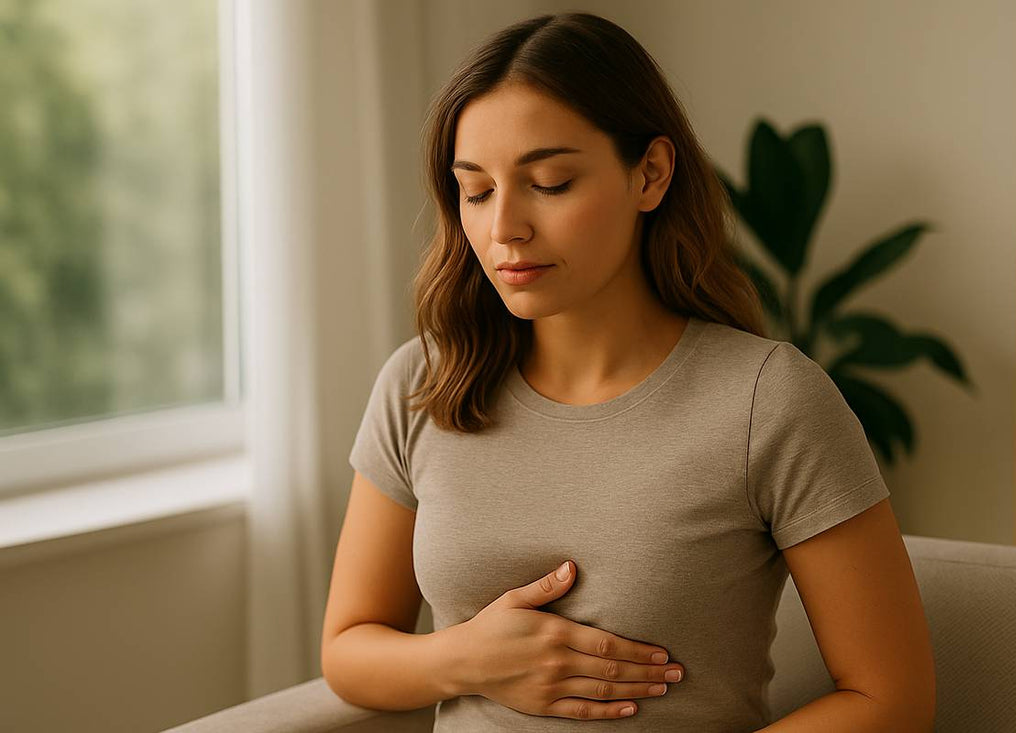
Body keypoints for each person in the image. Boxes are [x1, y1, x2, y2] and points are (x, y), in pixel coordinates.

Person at [321, 11, 935, 733]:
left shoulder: (769, 400)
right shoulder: (422, 384)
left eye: (549, 182)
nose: (503, 227)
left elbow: (893, 699)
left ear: (650, 173)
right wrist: (468, 659)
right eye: (477, 190)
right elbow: (348, 650)